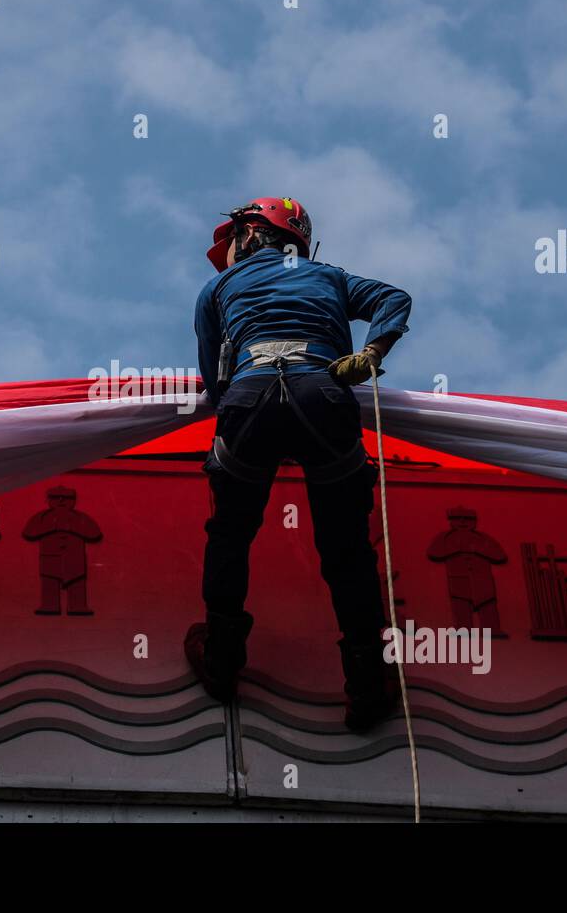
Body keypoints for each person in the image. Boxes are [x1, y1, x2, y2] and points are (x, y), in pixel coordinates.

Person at [186, 197, 412, 732]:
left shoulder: (216, 289)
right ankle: (365, 681)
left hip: (250, 395)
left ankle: (222, 658)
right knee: (345, 549)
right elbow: (394, 298)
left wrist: (245, 408)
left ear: (249, 234)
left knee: (232, 532)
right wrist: (373, 351)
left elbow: (213, 380)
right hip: (324, 392)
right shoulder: (328, 277)